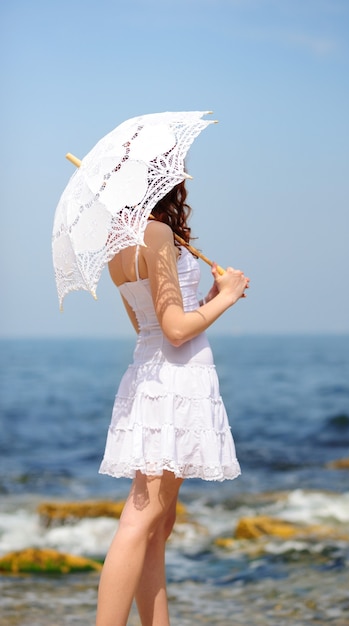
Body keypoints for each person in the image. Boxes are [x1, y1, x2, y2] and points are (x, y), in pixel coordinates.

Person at [96, 181, 249, 626]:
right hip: (175, 381)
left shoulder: (119, 244)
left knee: (157, 526)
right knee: (141, 520)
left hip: (150, 373)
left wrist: (207, 301)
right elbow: (176, 331)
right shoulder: (157, 233)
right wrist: (227, 296)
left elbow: (153, 326)